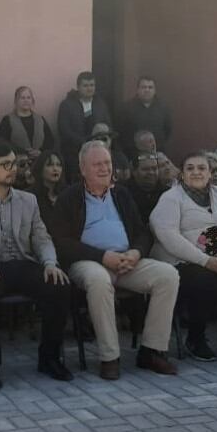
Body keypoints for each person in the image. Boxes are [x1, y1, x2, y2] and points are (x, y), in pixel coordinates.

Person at [49, 141, 179, 379]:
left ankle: (152, 351)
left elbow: (142, 232)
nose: (104, 168)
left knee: (168, 275)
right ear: (83, 169)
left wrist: (136, 253)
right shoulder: (70, 197)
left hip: (125, 260)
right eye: (97, 164)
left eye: (107, 163)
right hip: (87, 261)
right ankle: (110, 357)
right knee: (99, 280)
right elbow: (62, 242)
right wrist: (102, 256)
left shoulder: (121, 194)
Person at [0, 142, 73, 389]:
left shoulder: (28, 200)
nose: (13, 169)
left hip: (22, 264)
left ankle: (49, 358)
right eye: (5, 164)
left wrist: (50, 263)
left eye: (15, 164)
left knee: (60, 285)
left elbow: (41, 238)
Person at [150, 152, 217, 363]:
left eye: (202, 168)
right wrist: (205, 260)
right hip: (186, 260)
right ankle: (195, 339)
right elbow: (167, 235)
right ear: (182, 174)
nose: (196, 172)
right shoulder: (171, 198)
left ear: (210, 173)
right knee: (204, 280)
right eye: (190, 168)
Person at [57, 72, 113, 174]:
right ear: (78, 87)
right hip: (73, 153)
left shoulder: (101, 104)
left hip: (98, 153)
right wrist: (83, 143)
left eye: (92, 85)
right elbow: (64, 130)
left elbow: (108, 127)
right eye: (85, 86)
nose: (89, 89)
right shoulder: (67, 105)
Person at [0, 86, 56, 163]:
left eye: (28, 97)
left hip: (39, 162)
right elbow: (1, 142)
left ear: (32, 100)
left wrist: (41, 151)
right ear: (16, 101)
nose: (26, 100)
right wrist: (22, 151)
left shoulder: (40, 119)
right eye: (22, 98)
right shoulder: (8, 120)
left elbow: (50, 141)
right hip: (17, 163)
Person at [118, 77, 173, 158]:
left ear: (154, 90)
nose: (147, 90)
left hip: (157, 154)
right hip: (133, 155)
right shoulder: (126, 108)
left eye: (150, 87)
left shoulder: (163, 108)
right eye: (144, 87)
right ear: (137, 90)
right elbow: (122, 132)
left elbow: (168, 130)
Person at [124, 152, 165, 223]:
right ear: (134, 171)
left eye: (154, 168)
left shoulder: (166, 192)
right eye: (145, 169)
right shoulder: (123, 193)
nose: (151, 172)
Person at [33, 151, 67, 228]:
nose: (55, 169)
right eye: (50, 165)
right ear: (40, 168)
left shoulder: (68, 193)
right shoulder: (31, 196)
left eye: (59, 165)